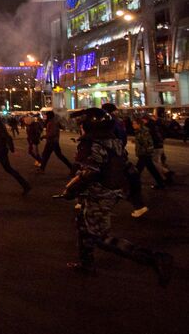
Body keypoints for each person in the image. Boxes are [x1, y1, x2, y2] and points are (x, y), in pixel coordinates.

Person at [56, 108, 173, 286]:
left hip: (99, 194)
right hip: (109, 191)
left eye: (82, 125)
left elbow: (89, 173)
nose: (80, 128)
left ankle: (153, 257)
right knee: (83, 226)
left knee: (101, 237)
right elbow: (127, 166)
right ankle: (86, 263)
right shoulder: (113, 141)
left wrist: (70, 190)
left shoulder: (92, 144)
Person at [132, 118, 165, 191]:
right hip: (144, 153)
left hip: (144, 154)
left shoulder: (143, 131)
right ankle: (161, 183)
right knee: (152, 169)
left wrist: (144, 152)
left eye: (134, 123)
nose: (132, 125)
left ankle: (133, 187)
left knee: (137, 170)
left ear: (139, 124)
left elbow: (147, 143)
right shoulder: (140, 131)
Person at [141, 114, 172, 183]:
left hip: (155, 146)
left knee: (154, 162)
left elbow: (149, 137)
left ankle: (165, 173)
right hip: (160, 144)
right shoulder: (156, 125)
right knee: (157, 161)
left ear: (145, 120)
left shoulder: (148, 126)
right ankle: (164, 175)